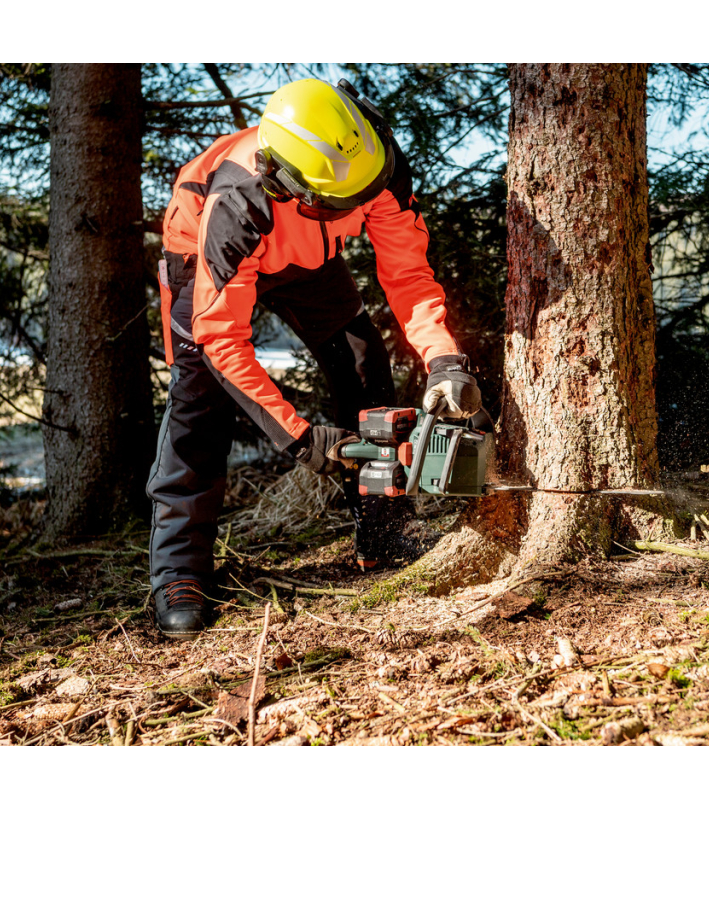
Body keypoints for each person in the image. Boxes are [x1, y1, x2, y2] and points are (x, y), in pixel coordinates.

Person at [147, 77, 482, 639]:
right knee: (199, 403)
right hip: (203, 258)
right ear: (286, 185)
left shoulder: (374, 164)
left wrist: (444, 360)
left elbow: (408, 275)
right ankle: (180, 572)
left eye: (365, 194)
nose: (363, 206)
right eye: (346, 203)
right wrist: (299, 438)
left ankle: (382, 531)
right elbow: (221, 338)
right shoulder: (237, 204)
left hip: (309, 257)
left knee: (363, 363)